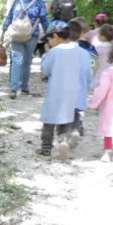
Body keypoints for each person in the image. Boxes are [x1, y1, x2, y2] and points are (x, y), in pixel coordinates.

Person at [39, 20, 89, 159]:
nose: (48, 42)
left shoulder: (54, 52)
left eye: (49, 39)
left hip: (55, 90)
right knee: (65, 119)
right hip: (72, 91)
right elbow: (85, 72)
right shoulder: (80, 52)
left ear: (55, 36)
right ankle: (63, 141)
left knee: (49, 120)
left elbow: (46, 70)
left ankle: (46, 148)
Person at [1, 0, 48, 99]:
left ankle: (13, 89)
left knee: (16, 61)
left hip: (16, 34)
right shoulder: (40, 2)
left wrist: (3, 31)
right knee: (27, 62)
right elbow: (44, 20)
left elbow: (9, 17)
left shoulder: (18, 1)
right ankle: (25, 88)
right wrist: (50, 34)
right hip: (31, 35)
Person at [68, 20, 95, 137]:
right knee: (77, 108)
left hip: (68, 82)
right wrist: (90, 83)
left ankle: (67, 132)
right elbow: (93, 66)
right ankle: (77, 126)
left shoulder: (66, 47)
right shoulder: (90, 48)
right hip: (82, 83)